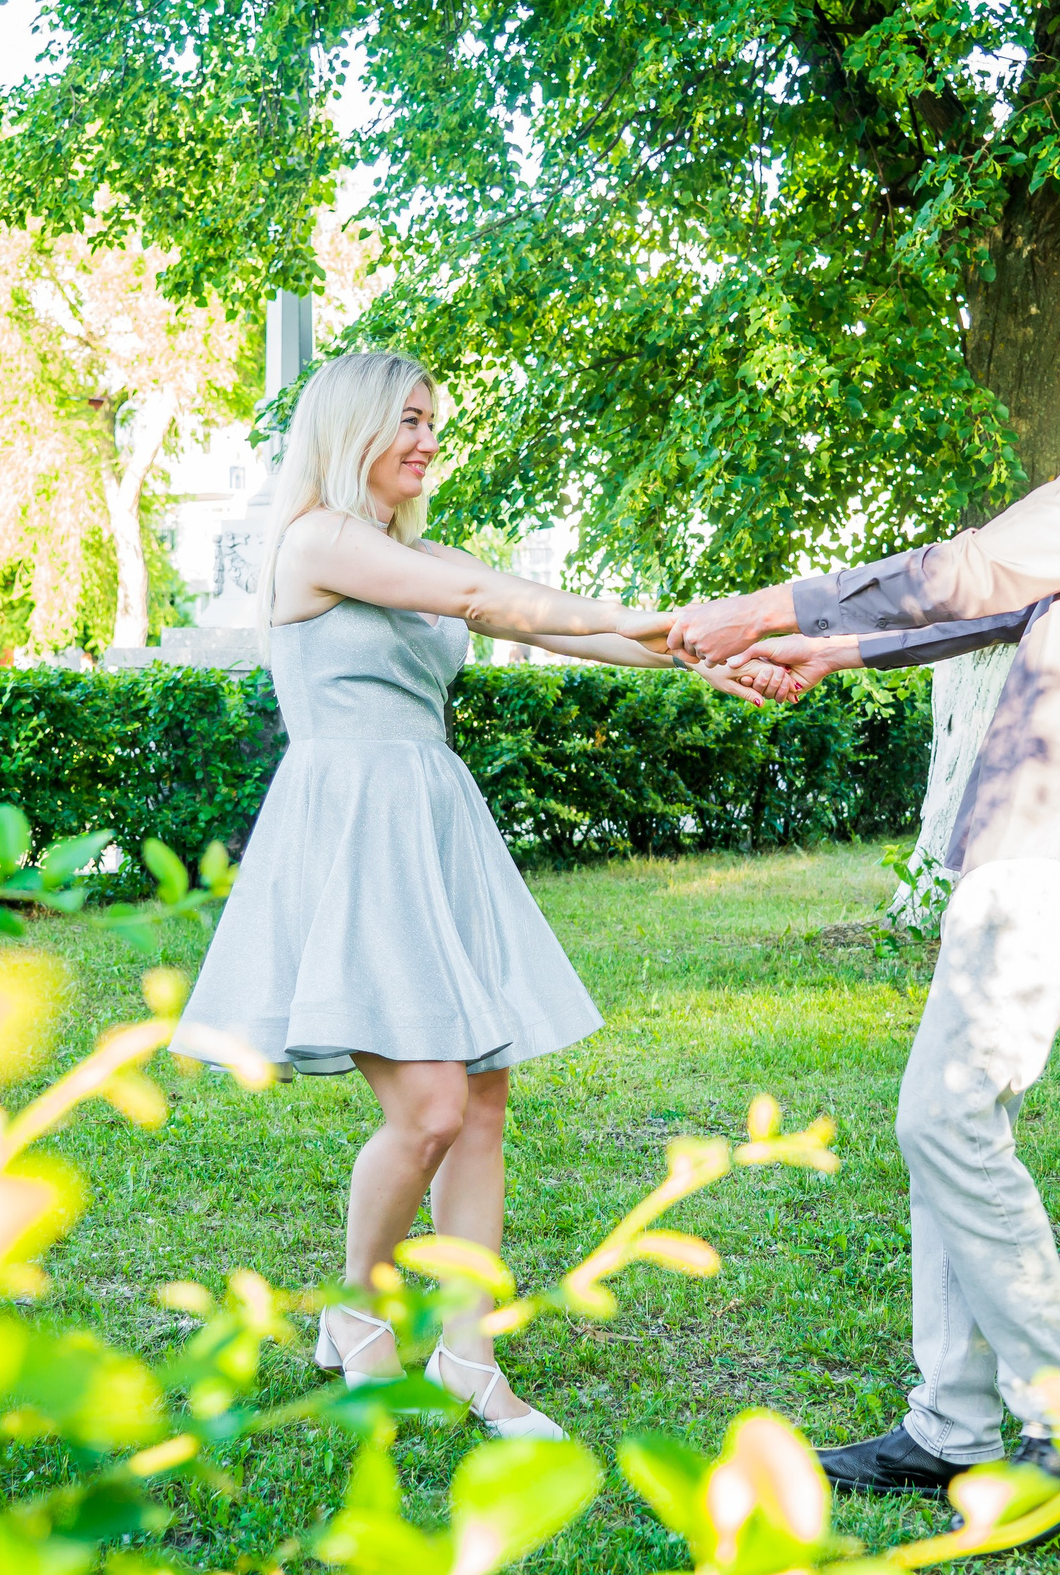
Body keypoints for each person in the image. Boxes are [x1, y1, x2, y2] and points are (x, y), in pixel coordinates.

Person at [671, 208, 1060, 1511]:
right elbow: (1024, 595)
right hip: (1043, 800)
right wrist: (835, 651)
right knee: (950, 1113)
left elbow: (988, 558)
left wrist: (779, 605)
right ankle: (950, 1418)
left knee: (945, 1111)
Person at [170, 350, 761, 1440]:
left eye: (432, 421)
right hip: (353, 824)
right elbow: (496, 598)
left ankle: (467, 1356)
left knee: (483, 1099)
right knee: (430, 1107)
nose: (426, 439)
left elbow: (545, 625)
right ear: (349, 428)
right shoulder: (318, 540)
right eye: (405, 420)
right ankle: (354, 1306)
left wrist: (692, 648)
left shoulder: (406, 551)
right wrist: (664, 614)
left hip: (431, 815)